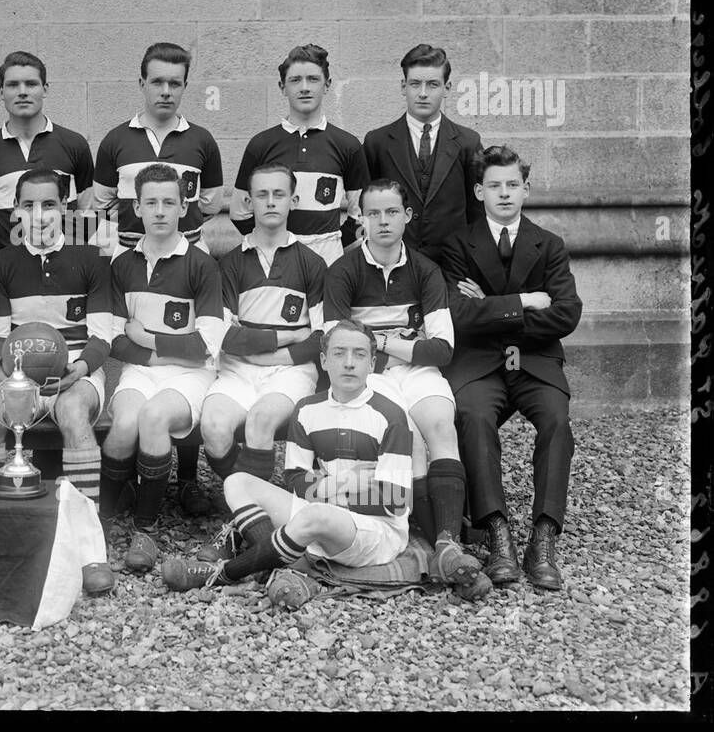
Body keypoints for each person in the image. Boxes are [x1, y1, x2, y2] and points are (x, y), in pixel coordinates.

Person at [322, 178, 490, 600]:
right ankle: (436, 546)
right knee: (409, 437)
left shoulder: (425, 270)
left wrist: (378, 341)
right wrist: (403, 347)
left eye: (392, 212)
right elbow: (340, 351)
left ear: (407, 216)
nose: (383, 221)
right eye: (374, 213)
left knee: (440, 424)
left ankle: (447, 540)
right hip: (371, 376)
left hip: (415, 370)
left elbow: (443, 349)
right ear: (360, 218)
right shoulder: (342, 271)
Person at [161, 321, 414, 594]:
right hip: (322, 509)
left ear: (372, 364)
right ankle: (276, 558)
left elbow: (395, 500)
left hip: (376, 531)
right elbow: (295, 481)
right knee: (237, 482)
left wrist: (325, 494)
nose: (349, 363)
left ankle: (222, 574)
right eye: (339, 353)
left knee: (317, 515)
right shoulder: (307, 409)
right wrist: (344, 483)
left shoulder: (391, 416)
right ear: (324, 361)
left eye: (360, 354)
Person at [0, 169, 116, 594]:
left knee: (72, 412)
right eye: (29, 205)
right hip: (20, 373)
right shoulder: (1, 264)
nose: (40, 214)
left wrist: (78, 370)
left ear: (65, 207)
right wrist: (2, 368)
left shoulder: (91, 260)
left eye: (49, 204)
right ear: (16, 210)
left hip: (77, 370)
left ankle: (88, 547)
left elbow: (102, 336)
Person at [439, 145, 583, 590]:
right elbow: (458, 314)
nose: (504, 193)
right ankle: (497, 530)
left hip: (534, 360)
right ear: (479, 191)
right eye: (494, 185)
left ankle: (544, 535)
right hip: (480, 362)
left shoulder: (549, 244)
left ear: (526, 189)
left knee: (557, 420)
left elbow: (566, 314)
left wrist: (491, 306)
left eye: (512, 185)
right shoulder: (458, 244)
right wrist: (523, 302)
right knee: (473, 416)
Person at [92, 41, 224, 514]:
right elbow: (101, 204)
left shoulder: (202, 140)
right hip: (133, 253)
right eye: (157, 82)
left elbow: (210, 202)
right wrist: (120, 246)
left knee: (181, 361)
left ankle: (185, 480)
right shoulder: (115, 141)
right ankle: (125, 485)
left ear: (185, 86)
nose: (166, 91)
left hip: (186, 253)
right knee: (134, 401)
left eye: (175, 83)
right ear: (142, 83)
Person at [101, 163, 226, 573]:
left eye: (169, 202)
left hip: (191, 376)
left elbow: (206, 345)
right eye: (151, 202)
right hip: (143, 369)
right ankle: (101, 517)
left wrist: (148, 338)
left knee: (153, 417)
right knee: (124, 424)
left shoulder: (202, 265)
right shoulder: (122, 265)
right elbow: (114, 339)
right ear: (136, 207)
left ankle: (146, 529)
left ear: (183, 208)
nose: (159, 211)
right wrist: (158, 354)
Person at [197, 162, 325, 521]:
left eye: (279, 194)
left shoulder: (312, 263)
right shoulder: (230, 264)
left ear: (293, 201)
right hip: (238, 370)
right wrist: (287, 335)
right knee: (214, 428)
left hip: (291, 371)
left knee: (260, 421)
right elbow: (225, 337)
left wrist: (271, 355)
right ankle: (249, 503)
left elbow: (320, 338)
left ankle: (248, 520)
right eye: (262, 194)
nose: (270, 202)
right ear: (249, 202)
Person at [231, 43, 368, 265]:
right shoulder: (261, 144)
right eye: (295, 80)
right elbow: (239, 213)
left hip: (327, 265)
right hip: (273, 264)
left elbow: (361, 214)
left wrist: (330, 246)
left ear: (327, 85)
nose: (304, 88)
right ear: (282, 87)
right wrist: (271, 243)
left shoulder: (348, 145)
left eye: (313, 79)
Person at [362, 44, 484, 264]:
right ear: (403, 86)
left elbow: (478, 212)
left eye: (433, 84)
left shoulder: (468, 142)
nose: (423, 93)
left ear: (447, 88)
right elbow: (367, 207)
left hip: (452, 266)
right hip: (392, 263)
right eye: (415, 84)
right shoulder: (377, 142)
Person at [0, 51, 94, 253]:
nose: (22, 92)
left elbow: (89, 214)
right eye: (13, 85)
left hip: (66, 265)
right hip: (12, 267)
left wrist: (67, 253)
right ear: (1, 92)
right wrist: (10, 254)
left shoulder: (75, 144)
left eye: (31, 84)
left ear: (45, 89)